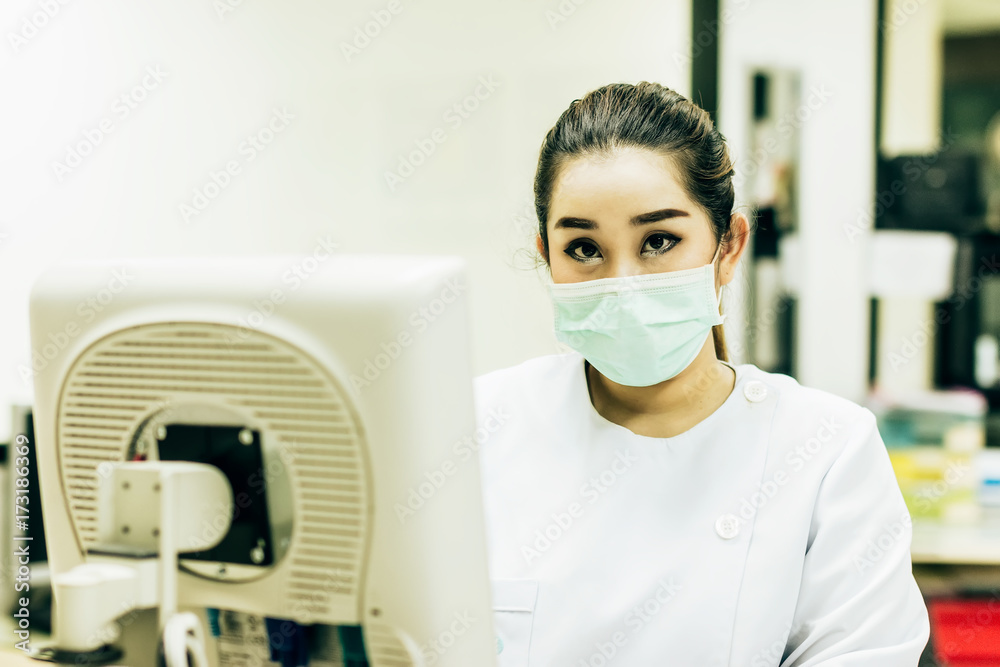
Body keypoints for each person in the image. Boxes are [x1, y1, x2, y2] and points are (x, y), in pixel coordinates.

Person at [474, 81, 930, 666]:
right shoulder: (478, 427)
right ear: (547, 256)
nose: (624, 283)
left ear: (728, 247)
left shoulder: (826, 452)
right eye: (584, 249)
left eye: (659, 240)